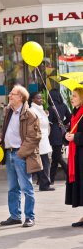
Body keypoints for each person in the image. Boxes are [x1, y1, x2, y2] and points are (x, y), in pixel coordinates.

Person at [0, 84, 42, 228]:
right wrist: (0, 137)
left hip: (21, 154)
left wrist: (20, 154)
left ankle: (29, 217)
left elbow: (34, 137)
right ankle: (15, 216)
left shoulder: (30, 114)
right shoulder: (9, 111)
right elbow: (5, 129)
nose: (9, 95)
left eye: (13, 94)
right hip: (9, 153)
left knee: (26, 187)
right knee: (12, 188)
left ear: (20, 97)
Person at [65, 88, 83, 227]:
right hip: (76, 155)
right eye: (72, 95)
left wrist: (75, 137)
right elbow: (70, 130)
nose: (72, 98)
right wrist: (66, 135)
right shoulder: (75, 113)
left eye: (75, 96)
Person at [29, 92, 54, 191]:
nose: (41, 100)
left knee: (44, 162)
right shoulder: (32, 110)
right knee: (43, 163)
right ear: (33, 100)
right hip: (39, 140)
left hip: (44, 139)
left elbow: (45, 123)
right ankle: (44, 184)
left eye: (41, 98)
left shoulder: (41, 109)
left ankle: (44, 184)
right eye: (38, 98)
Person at [48, 89, 71, 184]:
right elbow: (69, 117)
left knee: (58, 157)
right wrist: (63, 123)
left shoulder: (51, 108)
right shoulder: (64, 106)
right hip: (61, 132)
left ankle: (70, 174)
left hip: (54, 132)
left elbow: (48, 121)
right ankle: (51, 180)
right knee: (55, 157)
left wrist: (55, 123)